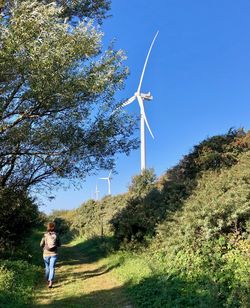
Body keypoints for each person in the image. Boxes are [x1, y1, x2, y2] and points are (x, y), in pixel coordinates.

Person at [40, 222, 61, 288]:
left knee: (47, 268)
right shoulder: (56, 235)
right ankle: (51, 282)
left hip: (46, 254)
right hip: (54, 253)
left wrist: (44, 246)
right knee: (52, 268)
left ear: (48, 227)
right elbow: (59, 244)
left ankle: (47, 280)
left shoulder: (45, 235)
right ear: (54, 227)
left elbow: (41, 245)